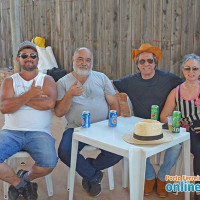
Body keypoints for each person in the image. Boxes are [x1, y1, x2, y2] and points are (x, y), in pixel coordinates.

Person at [113, 43, 183, 197]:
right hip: (140, 126)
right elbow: (111, 86)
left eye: (150, 61)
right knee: (133, 145)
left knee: (177, 146)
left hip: (163, 125)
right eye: (142, 61)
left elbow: (186, 87)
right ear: (137, 65)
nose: (146, 64)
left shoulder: (168, 78)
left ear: (155, 63)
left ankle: (163, 177)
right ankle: (150, 176)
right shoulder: (129, 81)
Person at [55, 47, 122, 197]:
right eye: (80, 59)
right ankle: (94, 176)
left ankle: (89, 171)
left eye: (88, 60)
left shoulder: (101, 78)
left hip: (102, 127)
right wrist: (70, 95)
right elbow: (59, 112)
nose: (84, 63)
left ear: (92, 62)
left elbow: (114, 103)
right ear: (73, 60)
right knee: (64, 152)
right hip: (76, 128)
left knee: (119, 152)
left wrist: (113, 123)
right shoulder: (63, 82)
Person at [0, 41, 57, 200]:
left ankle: (25, 178)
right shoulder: (10, 81)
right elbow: (4, 107)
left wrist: (17, 100)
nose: (29, 58)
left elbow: (49, 103)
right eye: (24, 55)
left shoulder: (47, 79)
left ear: (38, 59)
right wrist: (31, 95)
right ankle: (21, 185)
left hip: (39, 133)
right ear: (18, 59)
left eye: (33, 55)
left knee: (49, 163)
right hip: (11, 132)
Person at [160, 53, 200, 200]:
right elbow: (164, 116)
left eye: (195, 69)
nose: (191, 72)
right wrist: (178, 124)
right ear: (182, 70)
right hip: (188, 131)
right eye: (187, 68)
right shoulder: (176, 92)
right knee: (199, 150)